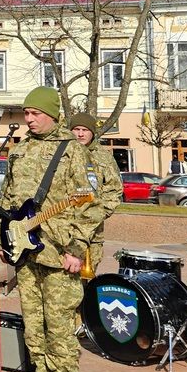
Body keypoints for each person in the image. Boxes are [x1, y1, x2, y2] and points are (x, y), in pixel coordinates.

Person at [0, 87, 98, 372]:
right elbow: (7, 199)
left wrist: (77, 250)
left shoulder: (72, 150)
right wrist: (7, 240)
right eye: (26, 113)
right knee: (32, 318)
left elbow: (88, 207)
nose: (29, 119)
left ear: (52, 115)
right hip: (26, 251)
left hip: (59, 250)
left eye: (36, 113)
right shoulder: (19, 149)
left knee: (59, 322)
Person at [67, 114, 123, 270]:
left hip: (92, 231)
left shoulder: (103, 157)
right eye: (76, 129)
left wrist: (97, 212)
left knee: (86, 278)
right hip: (64, 227)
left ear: (92, 132)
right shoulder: (63, 153)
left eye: (85, 130)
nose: (80, 134)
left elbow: (114, 190)